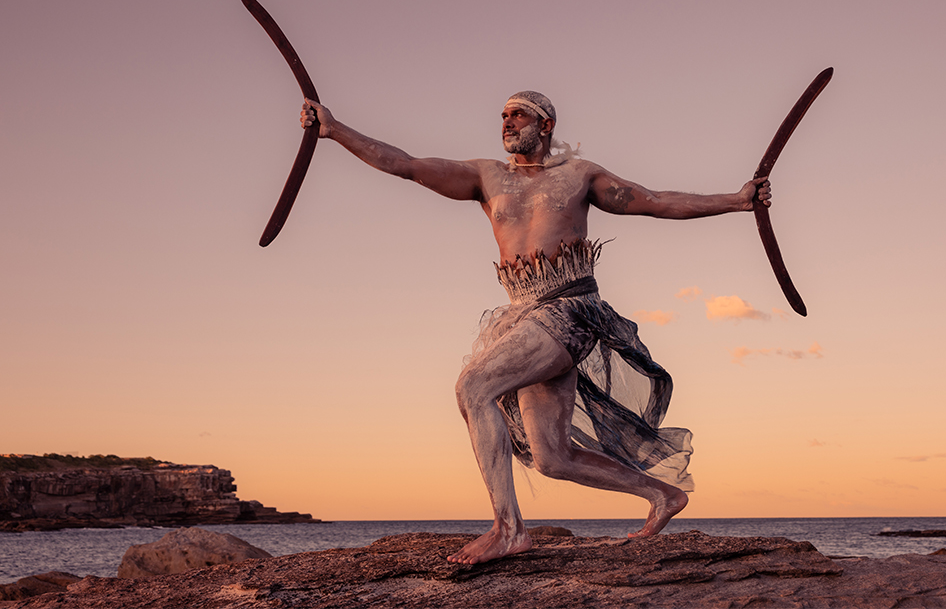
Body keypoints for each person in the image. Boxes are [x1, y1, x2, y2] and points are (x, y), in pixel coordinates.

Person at [300, 91, 771, 565]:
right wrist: (334, 129)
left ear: (545, 125)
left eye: (518, 115)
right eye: (503, 115)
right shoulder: (486, 176)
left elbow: (655, 201)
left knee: (473, 387)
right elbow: (404, 163)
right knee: (552, 458)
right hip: (524, 314)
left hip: (570, 310)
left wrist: (736, 200)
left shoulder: (578, 176)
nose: (507, 122)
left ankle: (508, 529)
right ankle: (663, 495)